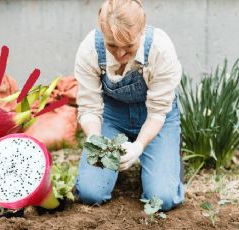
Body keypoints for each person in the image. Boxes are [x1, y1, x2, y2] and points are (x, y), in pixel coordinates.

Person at [74, 0, 184, 211]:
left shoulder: (160, 49)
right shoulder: (90, 48)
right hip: (112, 116)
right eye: (112, 45)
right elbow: (89, 107)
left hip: (155, 117)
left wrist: (139, 146)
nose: (120, 54)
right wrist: (95, 141)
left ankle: (165, 157)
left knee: (162, 199)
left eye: (129, 47)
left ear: (142, 30)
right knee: (90, 193)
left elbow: (158, 111)